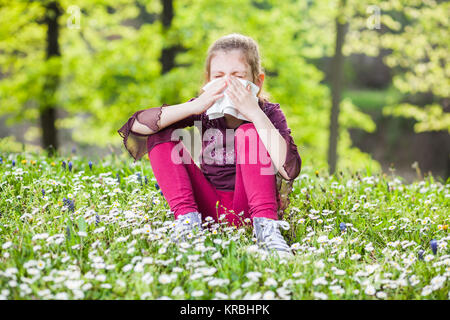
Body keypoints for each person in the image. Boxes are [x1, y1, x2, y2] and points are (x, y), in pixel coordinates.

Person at [118, 33, 302, 258]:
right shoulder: (204, 111)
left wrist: (255, 114)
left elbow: (289, 169)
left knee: (249, 131)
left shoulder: (268, 113)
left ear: (257, 81)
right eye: (219, 76)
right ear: (208, 82)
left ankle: (268, 234)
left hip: (253, 207)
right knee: (160, 132)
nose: (228, 83)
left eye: (238, 75)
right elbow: (136, 126)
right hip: (209, 210)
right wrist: (195, 106)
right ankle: (187, 226)